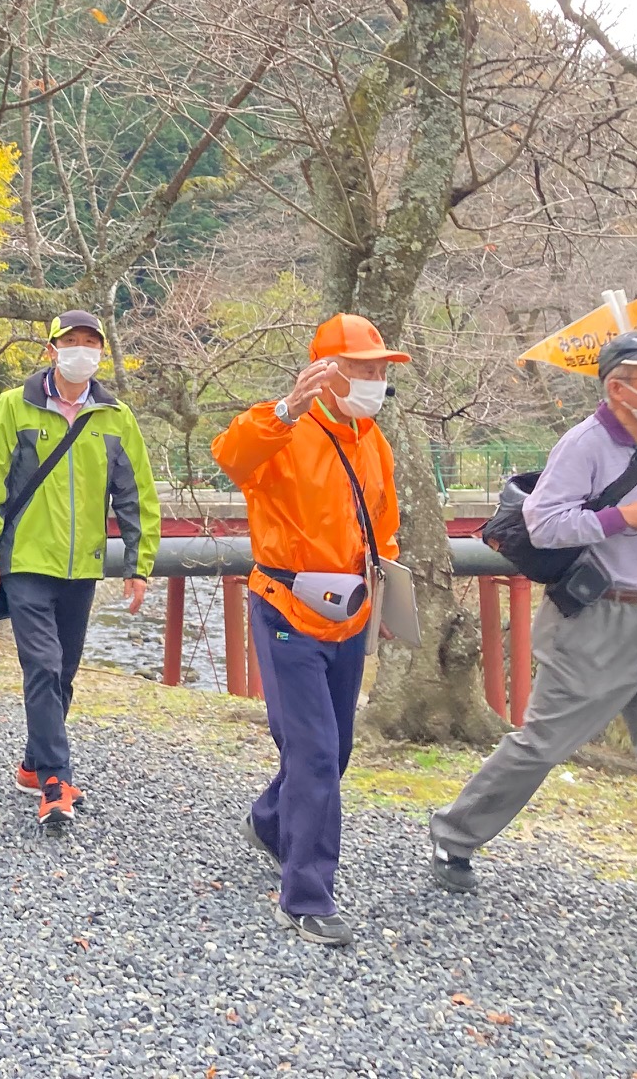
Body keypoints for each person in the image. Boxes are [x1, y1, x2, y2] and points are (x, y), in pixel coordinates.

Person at [429, 330, 637, 938]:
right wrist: (624, 517)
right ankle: (454, 834)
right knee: (544, 744)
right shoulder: (584, 443)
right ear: (618, 388)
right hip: (595, 618)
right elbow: (544, 525)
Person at [212, 313, 407, 947]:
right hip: (286, 609)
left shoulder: (372, 441)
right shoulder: (284, 429)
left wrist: (387, 598)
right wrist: (286, 408)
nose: (374, 379)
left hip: (349, 611)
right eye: (362, 368)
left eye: (380, 369)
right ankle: (305, 896)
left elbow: (383, 526)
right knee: (316, 751)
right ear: (326, 372)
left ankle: (272, 821)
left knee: (335, 748)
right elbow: (230, 455)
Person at [0, 310, 160, 828]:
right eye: (71, 341)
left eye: (91, 342)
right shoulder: (15, 406)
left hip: (82, 567)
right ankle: (55, 782)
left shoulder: (115, 417)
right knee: (43, 667)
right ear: (51, 349)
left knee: (65, 672)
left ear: (101, 352)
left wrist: (138, 565)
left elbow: (136, 494)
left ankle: (33, 764)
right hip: (26, 561)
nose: (82, 350)